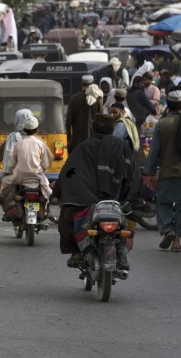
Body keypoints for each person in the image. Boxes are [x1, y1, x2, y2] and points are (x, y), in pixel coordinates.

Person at [55, 114, 134, 269]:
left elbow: (68, 174)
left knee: (66, 217)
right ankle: (122, 254)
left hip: (85, 202)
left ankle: (76, 252)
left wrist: (56, 191)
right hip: (116, 201)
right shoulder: (122, 147)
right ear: (112, 130)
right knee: (132, 216)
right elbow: (132, 175)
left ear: (92, 129)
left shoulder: (82, 147)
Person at [142, 89, 181, 253]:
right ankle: (177, 241)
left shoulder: (162, 124)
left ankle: (168, 229)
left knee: (163, 202)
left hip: (167, 171)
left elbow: (155, 150)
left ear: (169, 105)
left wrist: (150, 172)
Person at [0, 115, 53, 224]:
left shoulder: (18, 144)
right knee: (48, 191)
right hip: (37, 178)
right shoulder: (40, 144)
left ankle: (9, 210)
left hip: (19, 178)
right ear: (37, 130)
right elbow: (45, 164)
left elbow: (12, 164)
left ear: (24, 130)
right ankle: (45, 212)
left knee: (4, 184)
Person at [65, 75, 103, 153]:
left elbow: (68, 121)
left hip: (77, 140)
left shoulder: (74, 98)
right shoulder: (98, 98)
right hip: (93, 139)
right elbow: (101, 119)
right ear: (93, 84)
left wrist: (68, 138)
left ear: (81, 84)